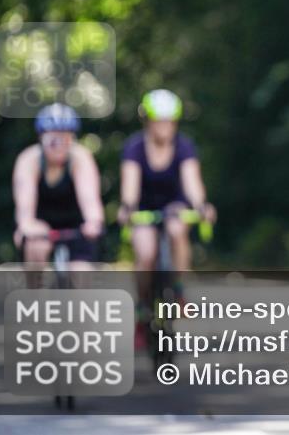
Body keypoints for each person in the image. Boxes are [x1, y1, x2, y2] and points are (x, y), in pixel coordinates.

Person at [117, 89, 216, 348]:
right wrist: (127, 208)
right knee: (145, 252)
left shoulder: (184, 146)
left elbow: (192, 182)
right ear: (147, 121)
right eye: (159, 120)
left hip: (175, 206)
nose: (165, 126)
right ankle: (142, 307)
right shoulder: (135, 147)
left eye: (170, 120)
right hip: (145, 210)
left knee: (176, 230)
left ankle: (179, 289)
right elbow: (130, 186)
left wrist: (201, 205)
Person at [12, 104, 105, 272]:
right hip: (41, 227)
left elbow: (90, 199)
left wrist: (93, 222)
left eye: (65, 137)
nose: (59, 144)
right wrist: (26, 225)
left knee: (81, 273)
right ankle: (35, 295)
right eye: (53, 139)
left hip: (76, 229)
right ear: (41, 138)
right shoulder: (29, 160)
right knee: (36, 249)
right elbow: (25, 208)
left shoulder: (80, 158)